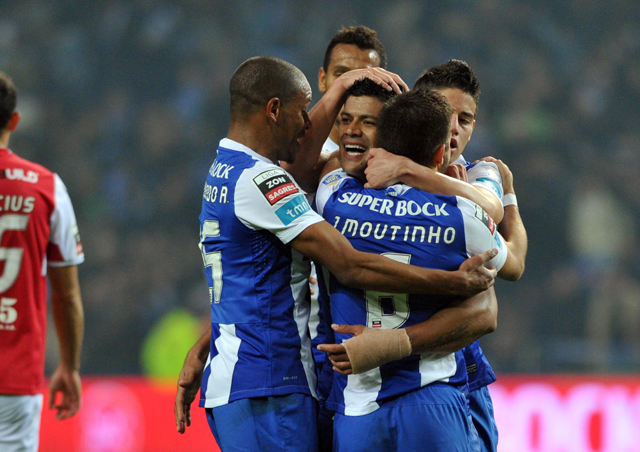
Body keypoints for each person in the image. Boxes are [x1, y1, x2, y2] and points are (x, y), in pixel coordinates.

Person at [174, 56, 497, 452]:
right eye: (340, 117)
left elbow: (252, 273)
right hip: (279, 382)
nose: (311, 124)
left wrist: (210, 343)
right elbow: (348, 264)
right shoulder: (455, 209)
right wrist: (455, 278)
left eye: (367, 121)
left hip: (288, 385)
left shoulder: (268, 180)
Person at [314, 87, 518, 451]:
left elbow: (331, 164)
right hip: (433, 401)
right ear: (440, 153)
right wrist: (505, 195)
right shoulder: (463, 216)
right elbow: (513, 262)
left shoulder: (334, 201)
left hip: (359, 406)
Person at [363, 59, 528, 452]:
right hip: (373, 364)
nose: (454, 128)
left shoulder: (478, 173)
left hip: (454, 366)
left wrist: (508, 198)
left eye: (465, 119)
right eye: (444, 112)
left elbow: (509, 252)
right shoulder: (372, 172)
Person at [0, 71, 85, 451]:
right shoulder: (47, 187)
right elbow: (66, 296)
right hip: (14, 381)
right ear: (14, 121)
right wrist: (69, 365)